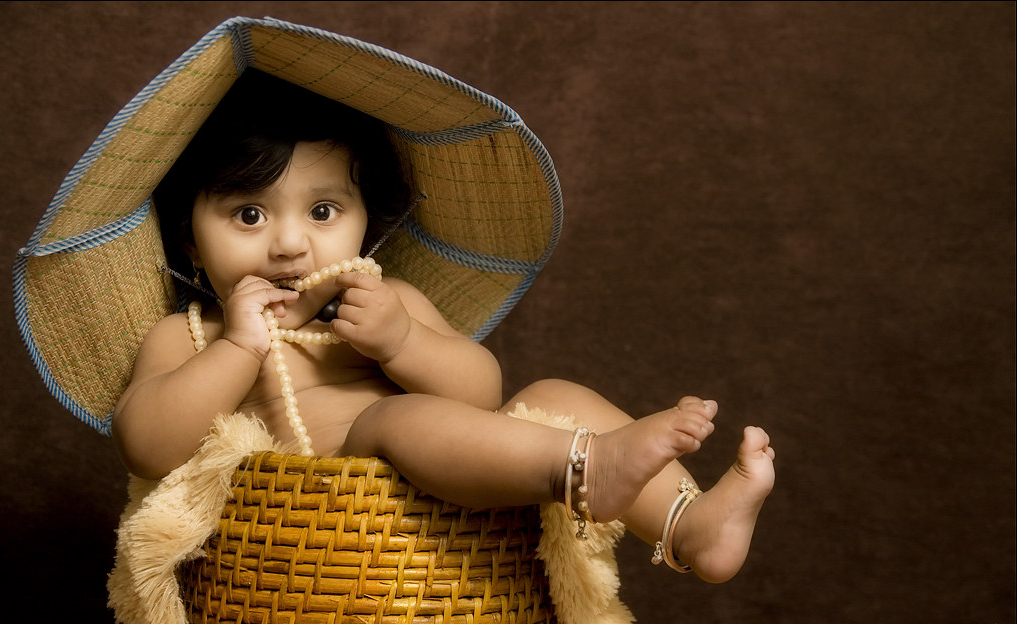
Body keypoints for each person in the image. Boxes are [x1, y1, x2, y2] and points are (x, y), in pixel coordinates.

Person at [110, 68, 774, 586]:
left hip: (459, 502)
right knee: (384, 425)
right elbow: (146, 443)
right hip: (334, 535)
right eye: (248, 216)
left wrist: (403, 341)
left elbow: (480, 394)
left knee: (556, 394)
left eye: (321, 210)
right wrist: (236, 349)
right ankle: (582, 468)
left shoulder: (386, 301)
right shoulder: (192, 335)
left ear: (365, 221)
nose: (288, 245)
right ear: (190, 243)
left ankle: (689, 525)